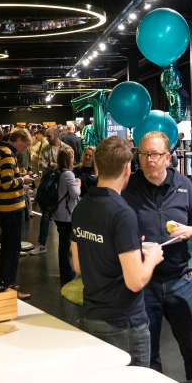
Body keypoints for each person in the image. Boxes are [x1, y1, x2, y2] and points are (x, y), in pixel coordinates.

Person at [72, 136, 164, 366]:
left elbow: (79, 266)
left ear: (96, 166)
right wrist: (151, 258)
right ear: (126, 168)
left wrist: (127, 247)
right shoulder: (123, 213)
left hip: (90, 317)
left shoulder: (81, 207)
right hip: (123, 323)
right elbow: (135, 281)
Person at [124, 131, 192, 379]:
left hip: (179, 279)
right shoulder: (128, 186)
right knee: (147, 356)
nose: (150, 160)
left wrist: (189, 231)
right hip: (143, 283)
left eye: (156, 154)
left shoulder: (184, 185)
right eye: (145, 154)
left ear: (168, 157)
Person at [0, 128, 34, 297]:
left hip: (0, 205)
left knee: (7, 247)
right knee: (12, 249)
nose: (23, 150)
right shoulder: (7, 154)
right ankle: (10, 287)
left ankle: (6, 283)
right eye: (24, 145)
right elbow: (7, 183)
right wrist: (23, 180)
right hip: (11, 207)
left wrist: (19, 178)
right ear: (18, 139)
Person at [29, 126, 72, 256]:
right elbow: (41, 165)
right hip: (49, 188)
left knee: (65, 220)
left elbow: (70, 166)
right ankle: (42, 244)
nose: (47, 139)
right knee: (45, 216)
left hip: (63, 189)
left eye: (49, 136)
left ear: (56, 135)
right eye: (46, 136)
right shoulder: (45, 147)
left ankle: (67, 244)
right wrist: (59, 166)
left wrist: (51, 165)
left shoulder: (66, 148)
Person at [53, 147, 80, 285]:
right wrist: (78, 184)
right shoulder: (68, 174)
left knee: (63, 244)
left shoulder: (56, 171)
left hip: (58, 213)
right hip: (66, 214)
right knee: (64, 244)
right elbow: (75, 194)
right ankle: (66, 272)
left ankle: (66, 270)